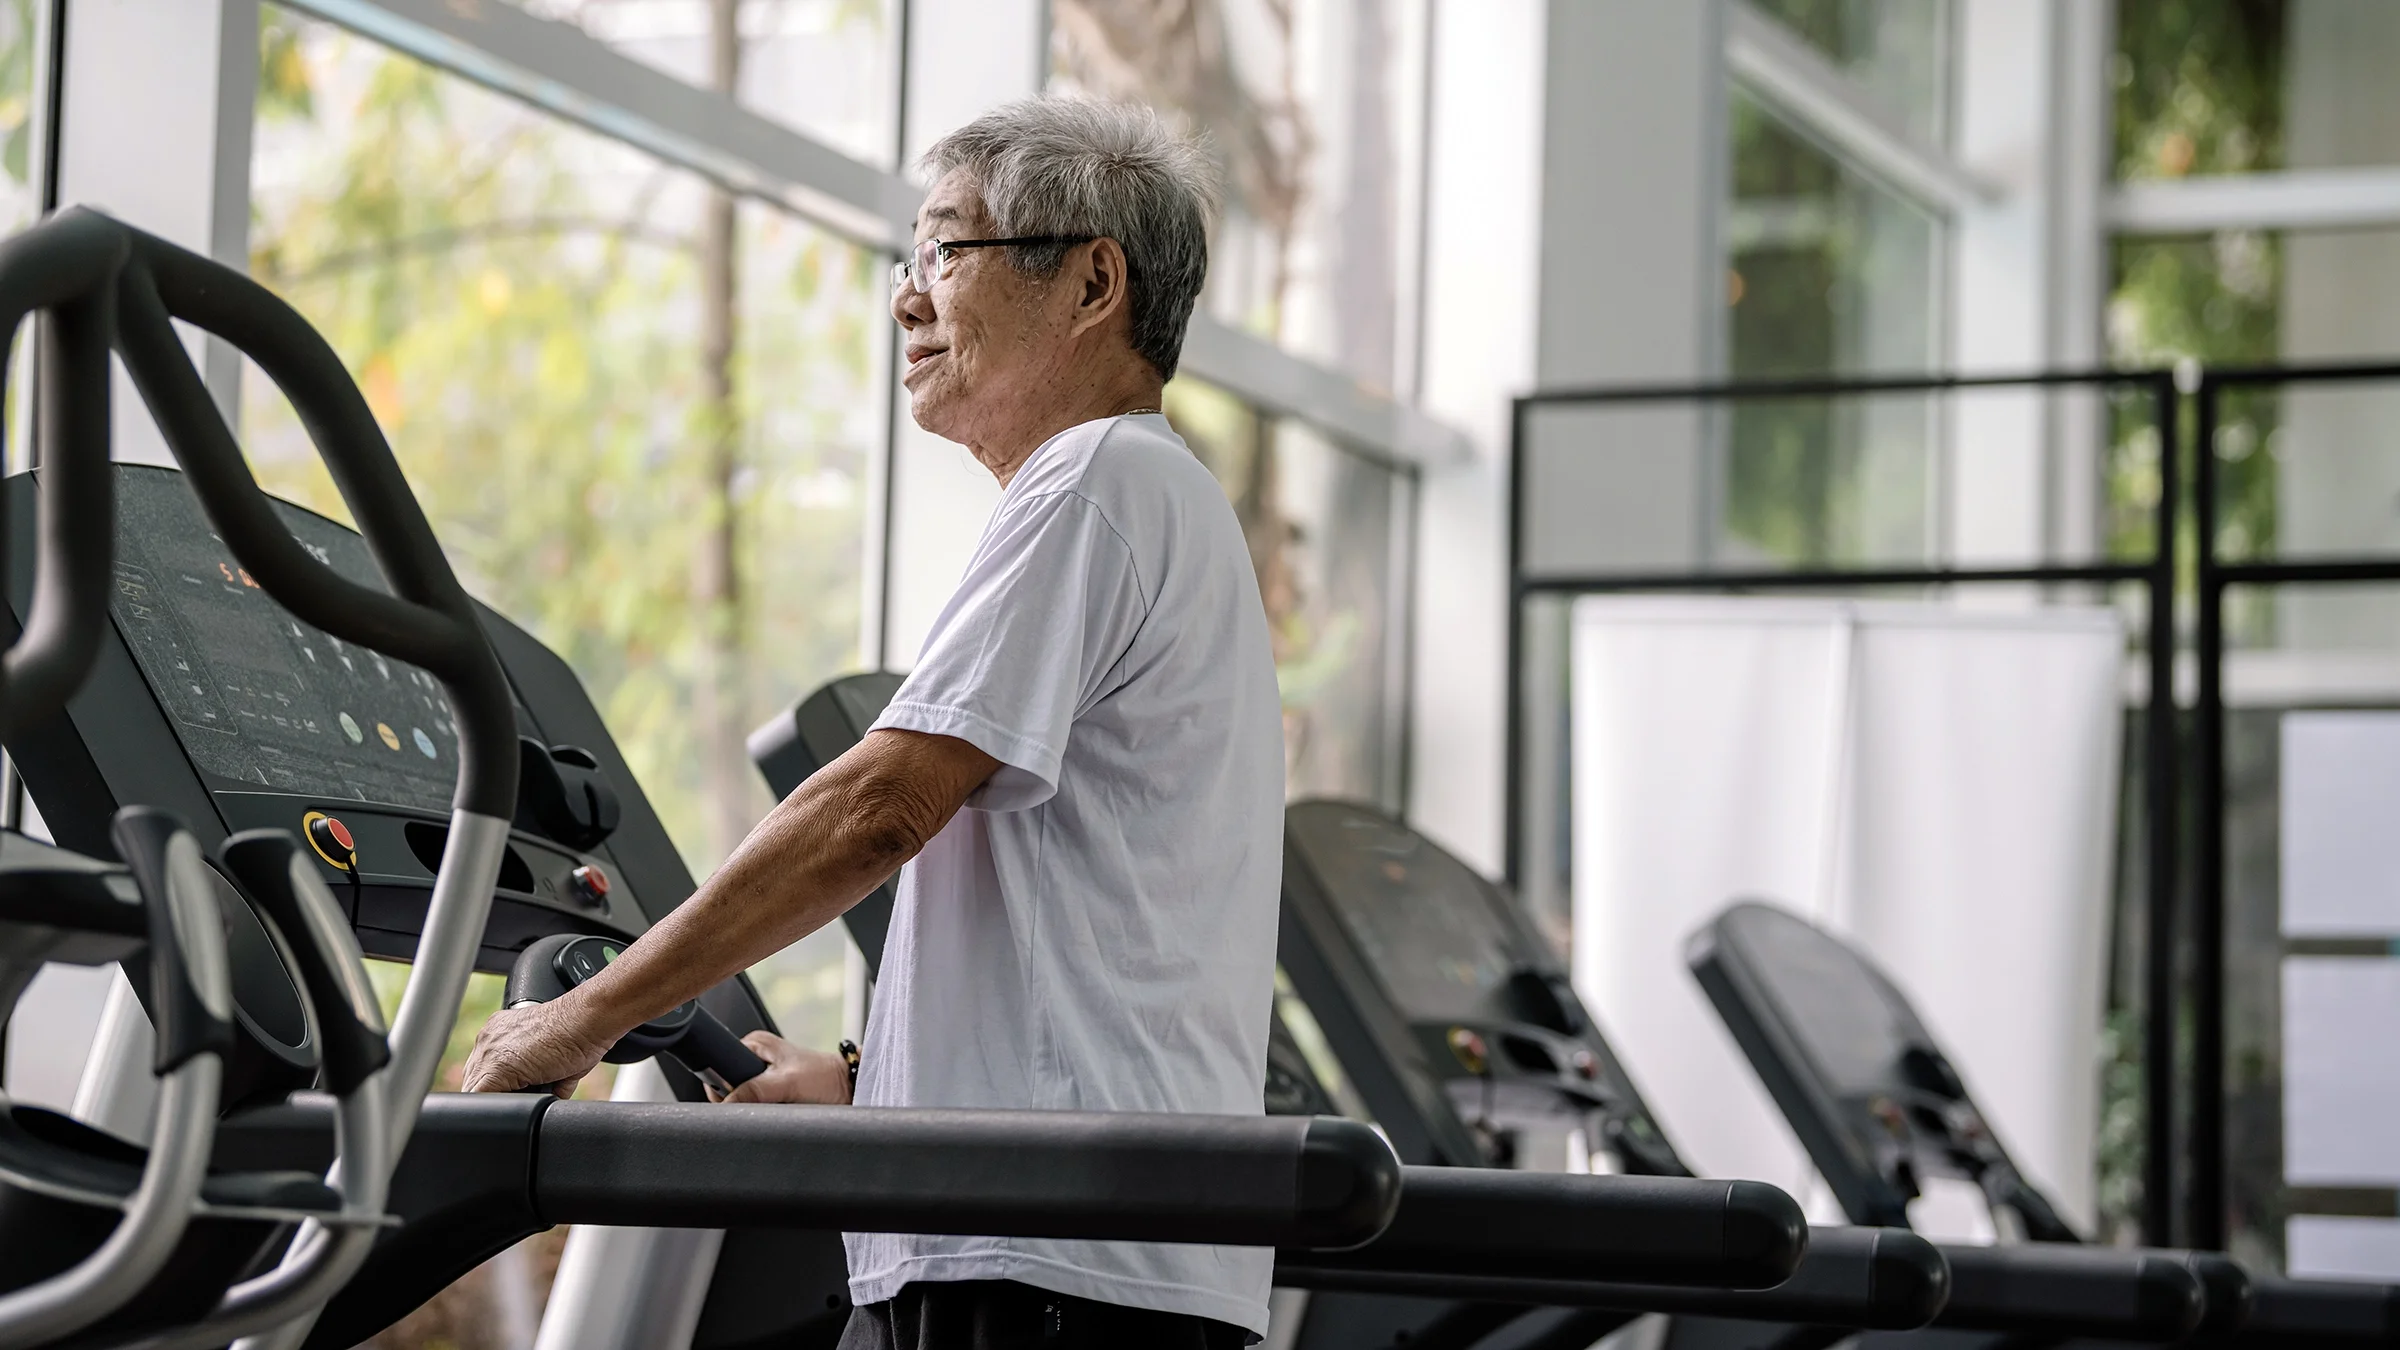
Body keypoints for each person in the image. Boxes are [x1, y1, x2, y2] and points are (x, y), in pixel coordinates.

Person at [461, 95, 1283, 1350]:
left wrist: (583, 1018)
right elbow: (1103, 933)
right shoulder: (1154, 501)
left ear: (1091, 284)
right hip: (1070, 1245)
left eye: (945, 252)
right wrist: (864, 1084)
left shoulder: (1098, 482)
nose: (907, 299)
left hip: (1042, 1265)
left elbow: (876, 807)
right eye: (909, 260)